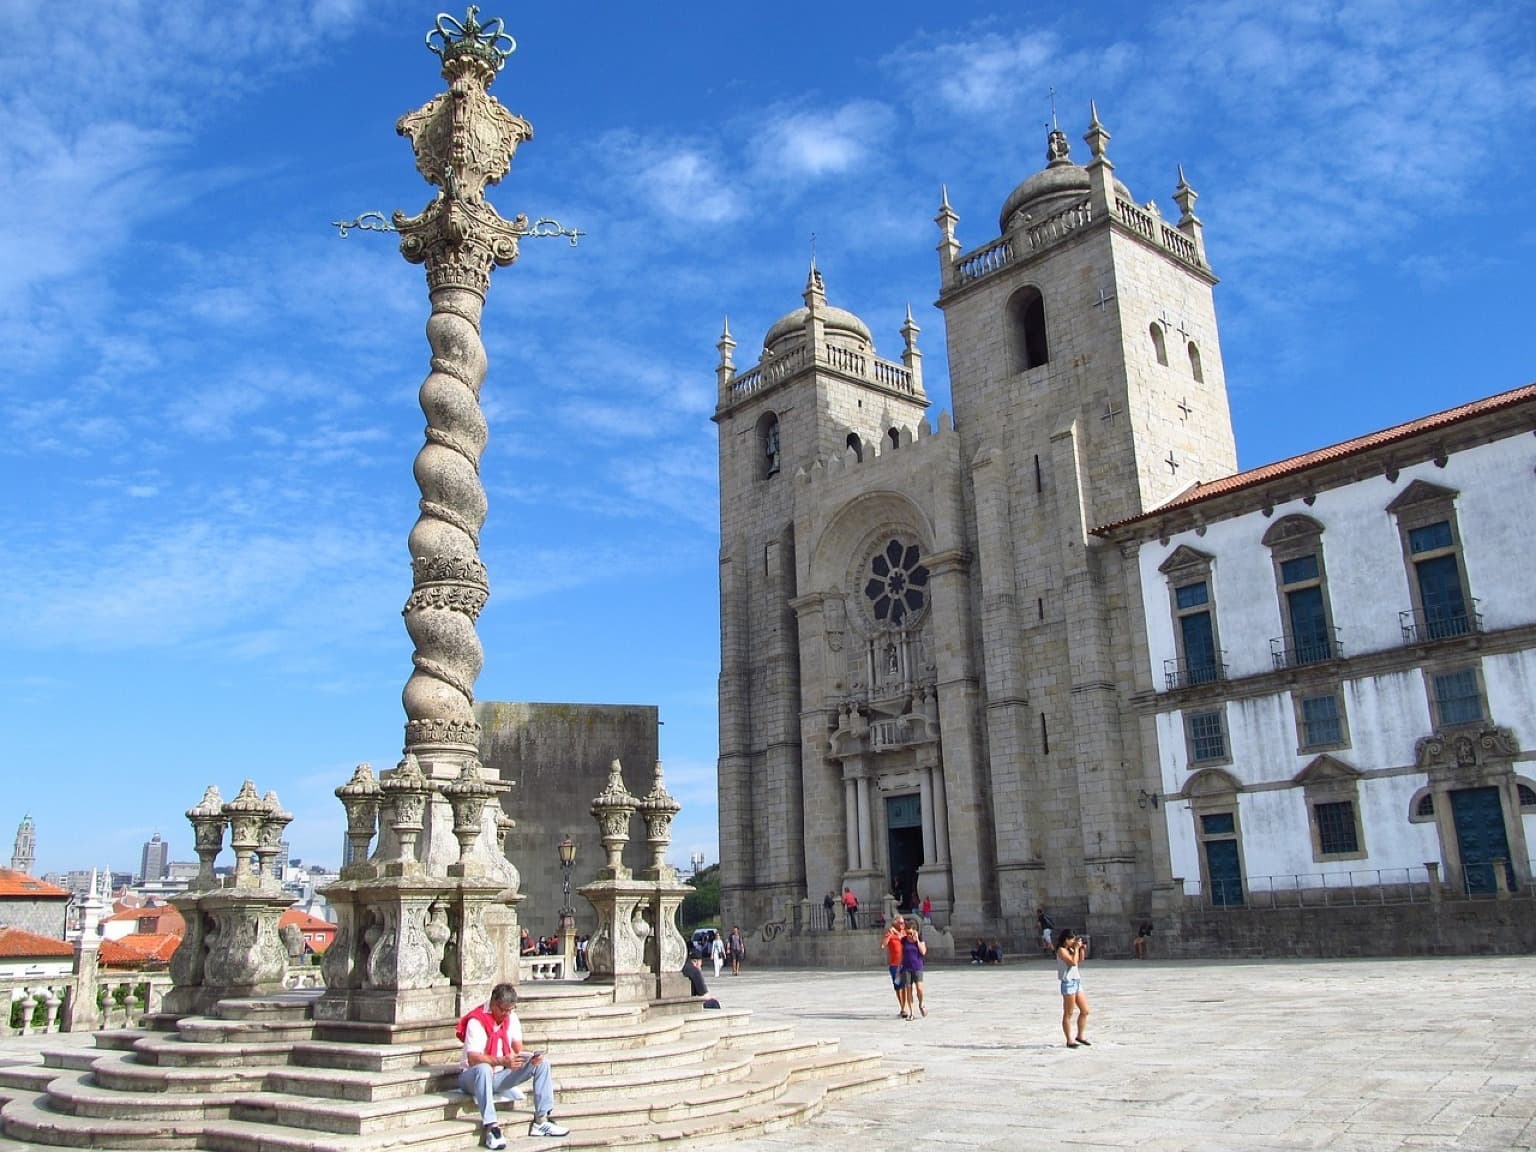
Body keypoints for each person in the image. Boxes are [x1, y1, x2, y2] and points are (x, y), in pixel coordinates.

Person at [458, 983, 570, 1147]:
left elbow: (518, 1049)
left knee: (542, 1063)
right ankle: (492, 1127)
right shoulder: (476, 1021)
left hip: (499, 1075)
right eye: (503, 1010)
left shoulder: (511, 1018)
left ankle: (541, 1120)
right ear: (494, 1004)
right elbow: (473, 1059)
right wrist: (502, 1061)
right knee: (484, 1069)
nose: (506, 1014)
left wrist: (530, 1058)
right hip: (472, 1077)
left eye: (509, 1010)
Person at [1056, 929, 1091, 1049]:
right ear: (1066, 939)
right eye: (1071, 939)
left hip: (1076, 981)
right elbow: (1072, 962)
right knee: (1069, 1013)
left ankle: (1080, 1035)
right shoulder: (1061, 950)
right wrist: (1076, 948)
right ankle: (1069, 1040)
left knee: (1085, 1010)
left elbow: (1079, 960)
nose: (1073, 941)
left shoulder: (1071, 949)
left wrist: (1081, 949)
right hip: (1068, 983)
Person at [899, 918, 928, 1018]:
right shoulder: (903, 940)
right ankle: (912, 1012)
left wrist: (917, 941)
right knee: (909, 989)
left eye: (911, 933)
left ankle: (921, 1004)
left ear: (914, 931)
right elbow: (901, 954)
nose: (909, 935)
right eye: (907, 933)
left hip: (918, 966)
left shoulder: (919, 938)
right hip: (906, 967)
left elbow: (923, 952)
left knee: (919, 989)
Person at [883, 917, 909, 1017]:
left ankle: (904, 1008)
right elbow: (883, 944)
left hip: (905, 964)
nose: (903, 925)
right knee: (898, 987)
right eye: (901, 923)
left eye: (903, 923)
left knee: (904, 986)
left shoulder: (905, 933)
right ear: (896, 924)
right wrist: (889, 935)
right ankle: (902, 1006)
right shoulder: (890, 934)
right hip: (894, 964)